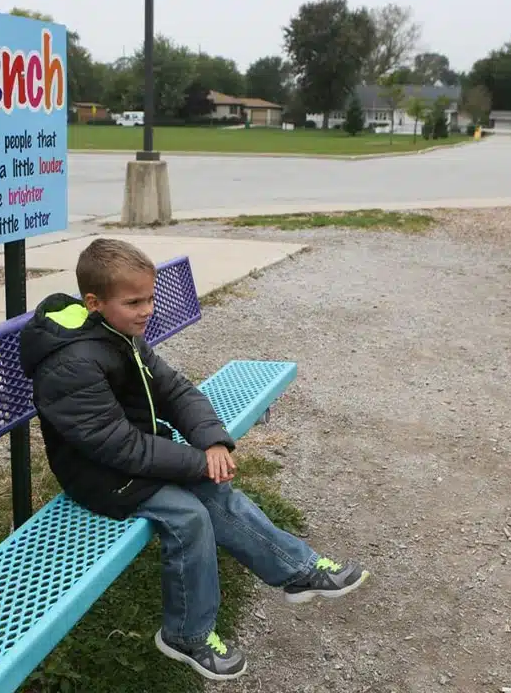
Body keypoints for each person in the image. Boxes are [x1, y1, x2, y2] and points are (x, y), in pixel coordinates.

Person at [19, 238, 369, 681]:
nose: (147, 309)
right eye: (135, 301)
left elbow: (174, 390)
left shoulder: (118, 333)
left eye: (150, 297)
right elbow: (114, 445)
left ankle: (296, 571)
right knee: (188, 516)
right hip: (98, 475)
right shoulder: (71, 362)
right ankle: (184, 634)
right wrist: (192, 461)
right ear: (94, 302)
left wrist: (212, 442)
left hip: (132, 458)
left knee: (214, 492)